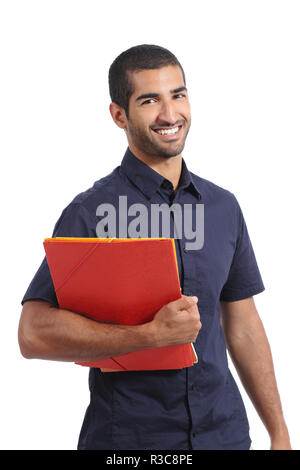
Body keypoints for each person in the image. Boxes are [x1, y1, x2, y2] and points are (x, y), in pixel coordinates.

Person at [18, 44, 291, 451]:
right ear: (119, 115)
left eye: (177, 95)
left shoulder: (223, 207)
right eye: (149, 100)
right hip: (130, 442)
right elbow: (33, 334)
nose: (169, 115)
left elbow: (243, 324)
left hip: (225, 436)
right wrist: (148, 335)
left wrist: (280, 433)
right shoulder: (91, 213)